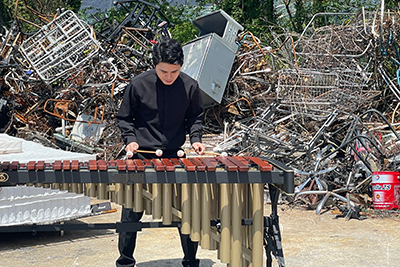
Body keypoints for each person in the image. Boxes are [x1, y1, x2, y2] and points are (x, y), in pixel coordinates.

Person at [116, 38, 206, 267]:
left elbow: (195, 116)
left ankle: (190, 260)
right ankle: (125, 261)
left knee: (187, 210)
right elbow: (125, 118)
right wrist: (131, 140)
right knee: (131, 211)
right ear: (154, 65)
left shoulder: (190, 86)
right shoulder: (138, 85)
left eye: (174, 71)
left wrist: (196, 139)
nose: (168, 76)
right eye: (163, 71)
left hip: (175, 158)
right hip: (142, 157)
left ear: (181, 66)